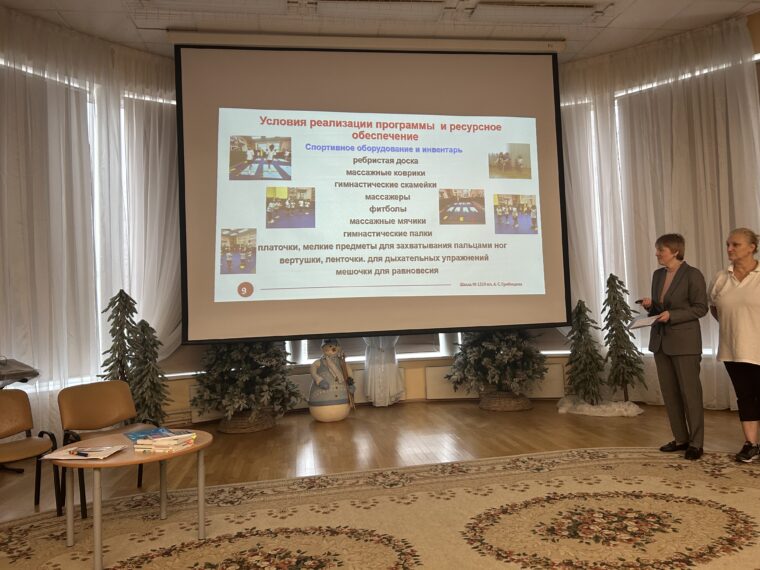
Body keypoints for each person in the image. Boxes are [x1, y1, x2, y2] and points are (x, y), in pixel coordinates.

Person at [641, 233, 708, 460]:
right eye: (658, 249)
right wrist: (651, 306)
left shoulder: (692, 275)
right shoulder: (658, 275)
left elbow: (700, 308)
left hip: (685, 343)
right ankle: (681, 439)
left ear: (676, 251)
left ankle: (696, 443)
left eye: (661, 250)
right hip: (661, 342)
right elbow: (659, 309)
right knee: (670, 394)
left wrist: (673, 315)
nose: (657, 254)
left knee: (690, 394)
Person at [708, 227, 760, 463]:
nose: (729, 249)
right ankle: (751, 444)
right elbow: (714, 308)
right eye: (727, 244)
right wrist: (735, 328)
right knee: (745, 397)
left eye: (735, 244)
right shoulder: (721, 278)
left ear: (751, 247)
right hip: (732, 349)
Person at [308, 338, 355, 422]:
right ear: (322, 349)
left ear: (338, 348)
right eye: (327, 349)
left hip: (343, 403)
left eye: (333, 348)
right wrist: (319, 380)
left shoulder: (342, 362)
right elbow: (313, 371)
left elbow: (349, 372)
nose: (330, 351)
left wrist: (351, 383)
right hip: (320, 405)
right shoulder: (319, 362)